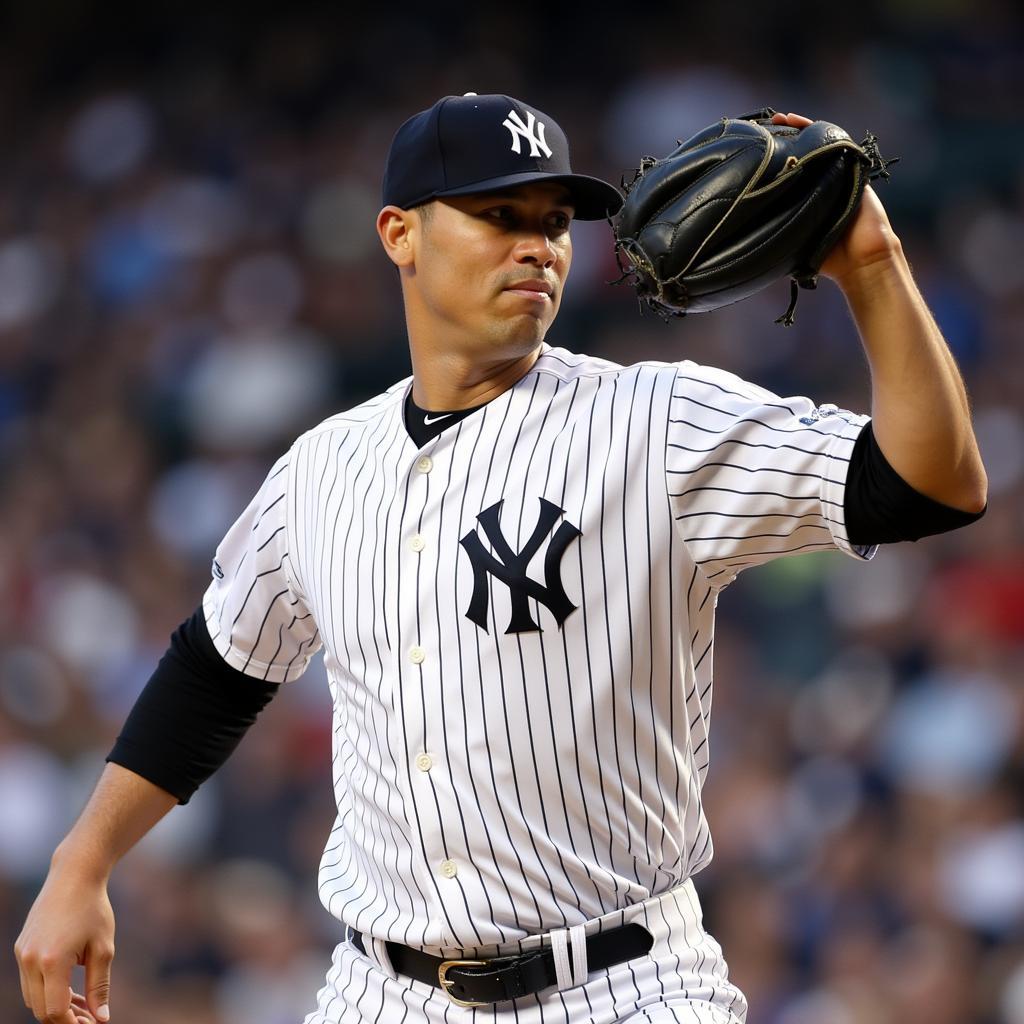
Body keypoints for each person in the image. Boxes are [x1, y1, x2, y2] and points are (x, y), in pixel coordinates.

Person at [15, 92, 987, 1024]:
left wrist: (871, 261)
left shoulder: (650, 422)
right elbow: (218, 668)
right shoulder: (321, 468)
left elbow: (926, 485)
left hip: (620, 985)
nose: (539, 244)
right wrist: (82, 864)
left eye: (556, 220)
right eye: (498, 214)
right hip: (380, 989)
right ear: (399, 234)